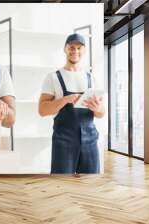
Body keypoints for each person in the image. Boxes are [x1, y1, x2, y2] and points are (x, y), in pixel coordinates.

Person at [38, 33, 105, 174]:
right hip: (63, 141)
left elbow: (101, 113)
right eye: (72, 47)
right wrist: (64, 100)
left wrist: (98, 109)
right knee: (61, 183)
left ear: (84, 51)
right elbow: (42, 110)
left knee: (91, 183)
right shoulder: (53, 78)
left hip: (90, 140)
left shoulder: (91, 79)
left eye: (79, 48)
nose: (75, 51)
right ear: (65, 49)